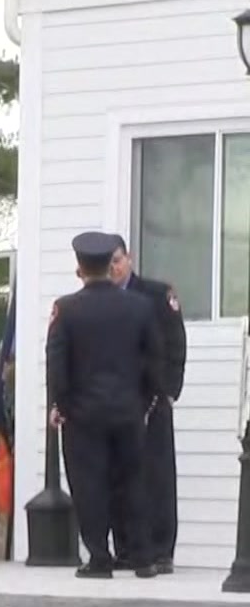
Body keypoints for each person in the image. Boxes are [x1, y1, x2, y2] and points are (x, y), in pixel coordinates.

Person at [45, 230, 165, 580]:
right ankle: (142, 556)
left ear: (80, 268)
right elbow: (154, 359)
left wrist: (62, 405)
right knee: (133, 482)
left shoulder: (65, 309)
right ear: (108, 267)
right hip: (128, 410)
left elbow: (57, 364)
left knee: (88, 484)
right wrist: (145, 401)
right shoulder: (139, 306)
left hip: (83, 414)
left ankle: (99, 557)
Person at [107, 234, 186, 574]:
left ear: (130, 258)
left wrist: (168, 392)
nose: (114, 268)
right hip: (119, 401)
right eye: (108, 263)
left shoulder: (156, 295)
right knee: (120, 475)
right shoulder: (102, 301)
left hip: (153, 400)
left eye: (118, 260)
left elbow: (175, 345)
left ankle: (160, 549)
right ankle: (125, 547)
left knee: (157, 474)